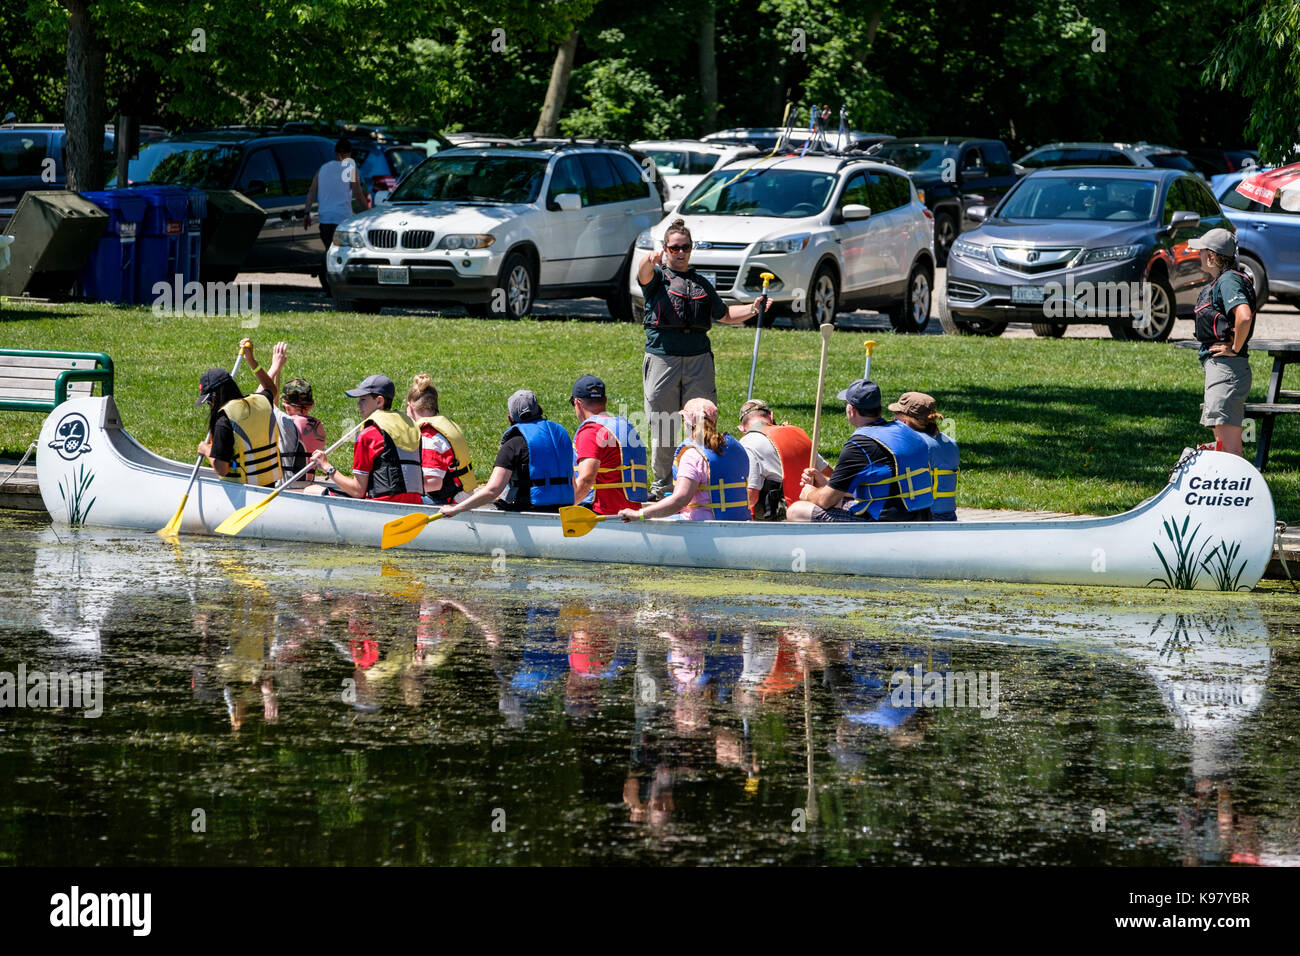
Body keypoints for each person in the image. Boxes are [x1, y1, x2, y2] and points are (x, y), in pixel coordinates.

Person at [640, 218, 770, 500]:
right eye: (674, 248)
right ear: (666, 249)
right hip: (663, 359)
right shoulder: (657, 278)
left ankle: (702, 481)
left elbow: (724, 315)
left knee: (703, 424)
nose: (680, 252)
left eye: (685, 247)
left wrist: (752, 308)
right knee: (664, 424)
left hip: (698, 360)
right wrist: (650, 260)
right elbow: (643, 274)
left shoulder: (701, 284)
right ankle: (662, 487)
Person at [786, 379, 933, 522]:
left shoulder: (859, 446)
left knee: (797, 510)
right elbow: (885, 483)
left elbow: (825, 501)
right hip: (921, 516)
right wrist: (827, 482)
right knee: (839, 501)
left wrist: (809, 492)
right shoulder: (906, 432)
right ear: (879, 406)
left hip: (884, 522)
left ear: (852, 410)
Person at [439, 389, 572, 516]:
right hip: (564, 510)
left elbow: (492, 490)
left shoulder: (514, 444)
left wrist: (456, 508)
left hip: (529, 510)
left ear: (510, 418)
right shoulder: (560, 435)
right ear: (539, 410)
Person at [618, 397, 750, 522]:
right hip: (738, 523)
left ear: (686, 422)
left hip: (703, 528)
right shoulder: (735, 448)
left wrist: (639, 514)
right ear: (714, 421)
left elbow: (680, 500)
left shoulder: (692, 455)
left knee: (649, 520)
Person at [1189, 228, 1257, 457]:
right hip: (1224, 371)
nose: (1198, 255)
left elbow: (1244, 316)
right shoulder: (1225, 280)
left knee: (1229, 450)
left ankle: (1239, 491)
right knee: (1222, 446)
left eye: (1202, 251)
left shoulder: (1228, 281)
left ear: (1213, 256)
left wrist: (1235, 348)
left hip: (1227, 370)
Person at [308, 374, 423, 503]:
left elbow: (357, 491)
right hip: (415, 503)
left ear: (379, 401)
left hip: (382, 504)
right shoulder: (411, 429)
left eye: (363, 399)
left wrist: (326, 466)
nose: (358, 404)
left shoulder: (369, 434)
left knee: (311, 490)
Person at [196, 339, 288, 486]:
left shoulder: (224, 420)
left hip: (241, 489)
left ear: (215, 397)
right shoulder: (261, 402)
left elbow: (222, 469)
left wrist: (205, 449)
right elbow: (271, 387)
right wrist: (252, 361)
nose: (210, 405)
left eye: (208, 401)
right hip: (269, 486)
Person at [736, 398, 830, 520]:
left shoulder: (747, 443)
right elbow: (830, 475)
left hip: (780, 522)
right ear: (771, 416)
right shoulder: (798, 434)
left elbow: (751, 498)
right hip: (813, 512)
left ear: (742, 429)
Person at [571, 373, 648, 515]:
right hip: (630, 514)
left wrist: (564, 508)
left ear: (577, 403)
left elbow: (586, 480)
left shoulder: (591, 431)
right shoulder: (625, 427)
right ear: (605, 400)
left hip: (601, 514)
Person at [303, 138, 370, 285]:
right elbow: (358, 194)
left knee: (328, 250)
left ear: (335, 153)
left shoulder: (323, 168)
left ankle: (327, 285)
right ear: (350, 154)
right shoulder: (351, 170)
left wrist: (306, 213)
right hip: (342, 219)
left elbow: (311, 191)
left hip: (325, 219)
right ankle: (338, 285)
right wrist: (369, 213)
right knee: (340, 254)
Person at [405, 373, 477, 505]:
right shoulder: (445, 426)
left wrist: (403, 487)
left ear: (410, 407)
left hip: (450, 504)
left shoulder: (429, 437)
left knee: (402, 498)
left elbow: (434, 483)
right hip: (464, 496)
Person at [889, 392, 959, 521]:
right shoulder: (949, 442)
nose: (893, 420)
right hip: (948, 515)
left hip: (923, 516)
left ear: (906, 420)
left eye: (895, 417)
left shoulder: (914, 444)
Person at [280, 376, 327, 483]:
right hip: (309, 483)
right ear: (311, 405)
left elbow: (269, 405)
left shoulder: (288, 424)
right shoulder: (319, 425)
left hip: (285, 485)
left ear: (286, 406)